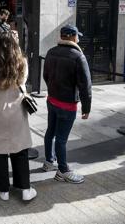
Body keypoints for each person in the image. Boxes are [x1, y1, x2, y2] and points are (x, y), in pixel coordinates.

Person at [0, 33, 36, 201]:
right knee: (20, 150)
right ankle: (25, 188)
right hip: (16, 112)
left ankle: (2, 189)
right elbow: (23, 81)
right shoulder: (22, 62)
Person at [42, 25, 92, 184]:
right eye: (77, 35)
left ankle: (49, 162)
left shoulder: (51, 52)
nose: (79, 38)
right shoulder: (78, 56)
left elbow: (46, 76)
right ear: (71, 36)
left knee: (51, 131)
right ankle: (63, 170)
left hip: (52, 100)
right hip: (67, 104)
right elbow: (85, 85)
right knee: (62, 139)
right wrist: (86, 107)